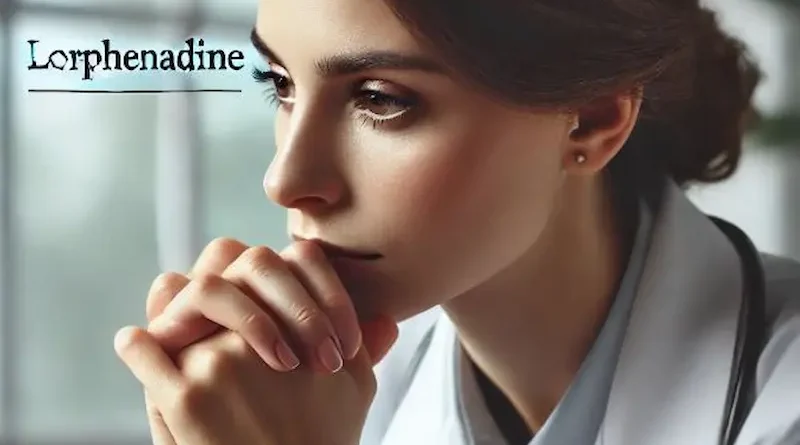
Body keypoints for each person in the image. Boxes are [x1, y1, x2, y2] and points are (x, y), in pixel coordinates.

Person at [113, 0, 800, 444]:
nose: (284, 179)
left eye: (380, 98)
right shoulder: (306, 391)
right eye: (282, 85)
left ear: (590, 118)